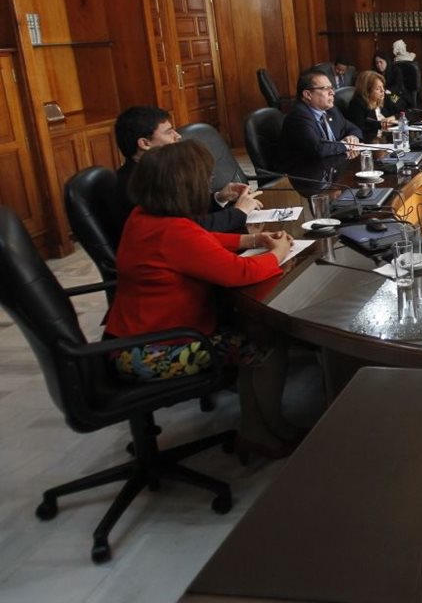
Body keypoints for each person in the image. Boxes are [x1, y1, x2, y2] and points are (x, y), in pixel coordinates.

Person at [105, 140, 303, 459]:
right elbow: (238, 273)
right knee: (264, 347)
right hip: (153, 351)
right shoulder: (172, 232)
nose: (208, 184)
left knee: (254, 332)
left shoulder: (144, 216)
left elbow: (201, 238)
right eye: (205, 179)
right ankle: (271, 430)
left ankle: (256, 432)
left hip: (127, 341)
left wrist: (251, 238)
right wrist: (278, 254)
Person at [113, 106, 260, 233]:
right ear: (145, 143)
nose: (178, 136)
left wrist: (219, 198)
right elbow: (189, 228)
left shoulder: (156, 171)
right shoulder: (139, 184)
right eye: (169, 132)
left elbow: (184, 211)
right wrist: (238, 212)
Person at [278, 69, 362, 167]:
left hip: (331, 167)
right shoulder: (298, 116)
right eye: (326, 88)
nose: (332, 93)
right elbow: (318, 149)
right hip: (305, 173)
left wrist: (353, 137)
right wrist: (346, 145)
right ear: (308, 94)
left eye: (332, 88)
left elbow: (353, 128)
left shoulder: (331, 110)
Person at [346, 69, 402, 141]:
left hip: (388, 140)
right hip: (372, 144)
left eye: (383, 87)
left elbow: (405, 110)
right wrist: (381, 125)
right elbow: (359, 131)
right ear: (367, 91)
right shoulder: (357, 104)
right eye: (378, 89)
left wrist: (394, 117)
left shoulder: (385, 98)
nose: (383, 91)